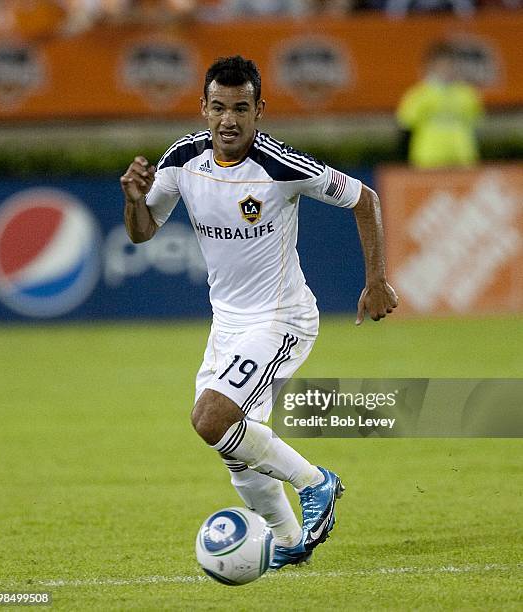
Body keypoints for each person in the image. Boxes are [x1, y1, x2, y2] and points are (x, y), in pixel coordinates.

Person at [120, 55, 398, 570]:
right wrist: (135, 200)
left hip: (280, 319)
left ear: (259, 111)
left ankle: (317, 483)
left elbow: (365, 199)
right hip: (226, 323)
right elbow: (142, 231)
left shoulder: (281, 166)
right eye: (219, 107)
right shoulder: (182, 160)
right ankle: (290, 539)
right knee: (235, 444)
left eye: (241, 108)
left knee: (211, 418)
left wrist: (376, 279)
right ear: (203, 108)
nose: (229, 119)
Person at [396, 42, 484, 168]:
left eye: (451, 64)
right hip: (428, 158)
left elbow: (475, 124)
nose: (447, 69)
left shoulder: (467, 94)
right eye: (442, 65)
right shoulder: (419, 94)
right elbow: (405, 125)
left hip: (462, 157)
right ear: (431, 66)